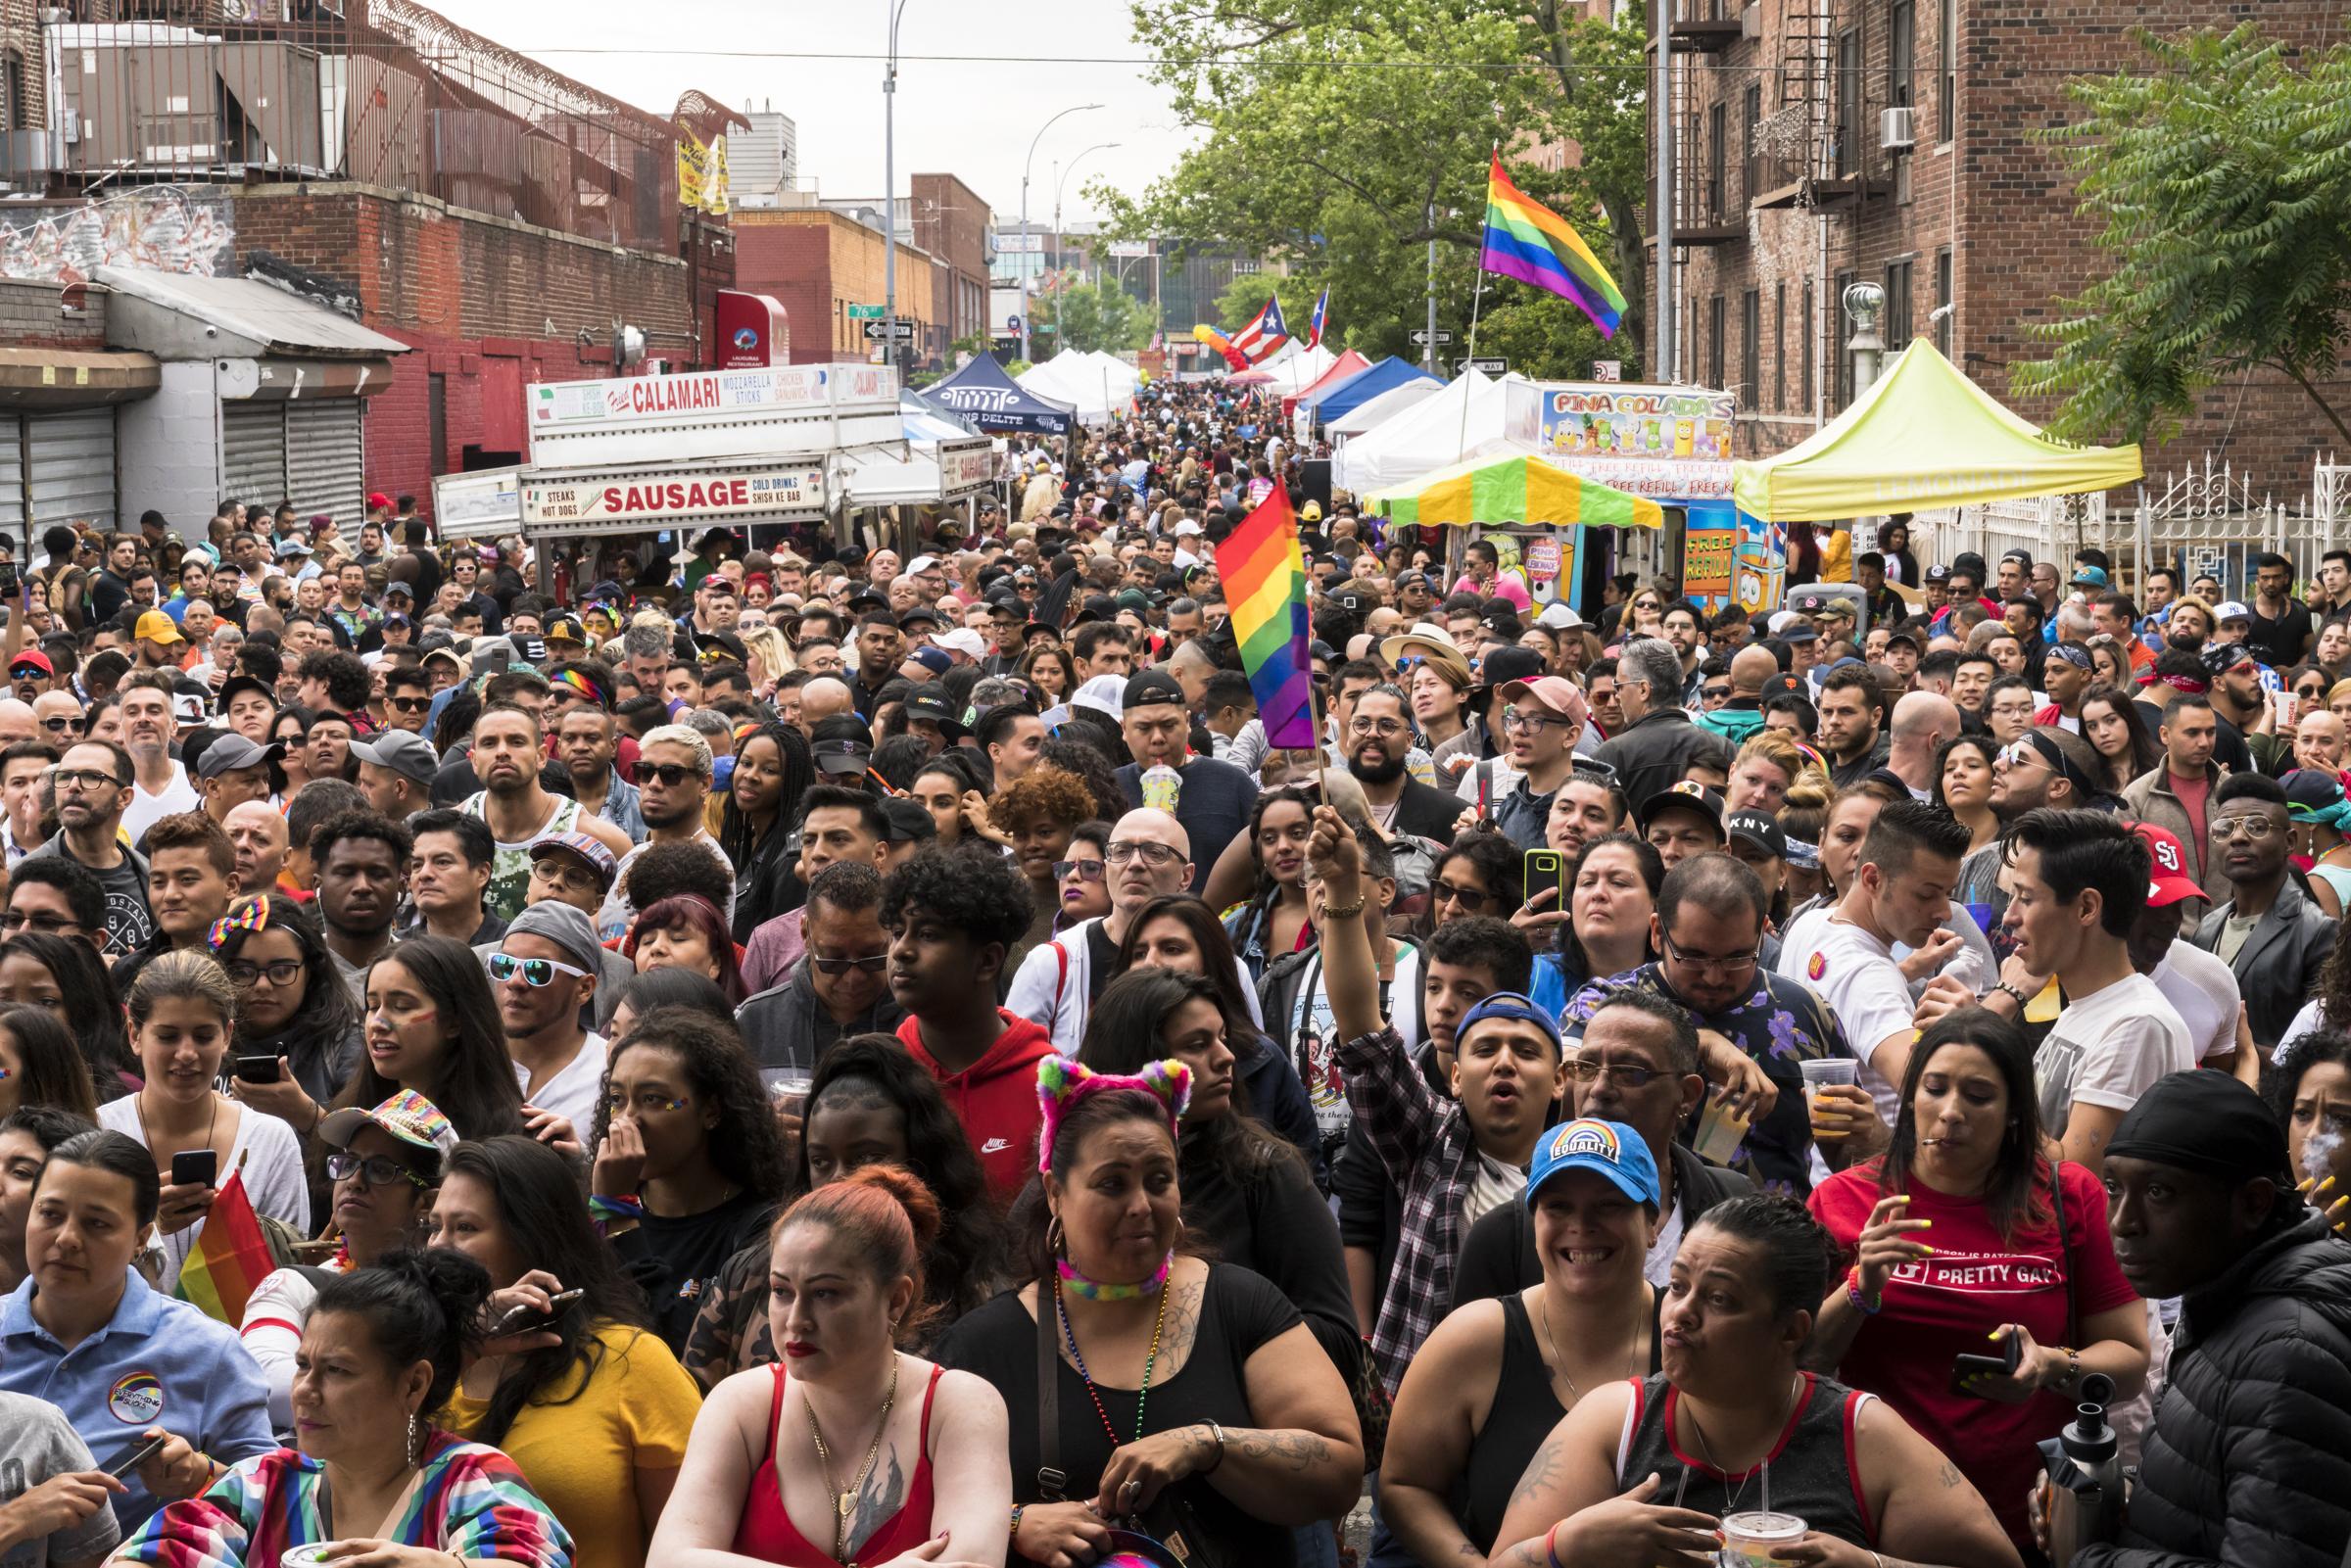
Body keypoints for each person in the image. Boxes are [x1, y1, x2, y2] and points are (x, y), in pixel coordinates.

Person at [932, 1058, 1364, 1568]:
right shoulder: (983, 1347)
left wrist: (1206, 1444)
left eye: (1159, 1180)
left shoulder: (1240, 1305)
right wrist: (1011, 1523)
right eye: (1112, 1184)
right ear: (1054, 1195)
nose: (1141, 1204)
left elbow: (1340, 1471)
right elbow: (916, 1512)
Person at [1488, 1194, 2023, 1568]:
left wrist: (1871, 1565)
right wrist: (1569, 1546)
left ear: (1791, 1331)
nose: (1681, 1312)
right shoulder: (1616, 1420)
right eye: (1678, 1285)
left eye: (1719, 1298)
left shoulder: (1860, 1434)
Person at [1805, 1008, 2148, 1551]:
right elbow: (1800, 1363)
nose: (1950, 1113)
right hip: (1877, 1514)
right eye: (1934, 1089)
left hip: (2032, 1514)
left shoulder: (2069, 1196)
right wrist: (1859, 1289)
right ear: (1910, 1099)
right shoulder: (1844, 1200)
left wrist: (2050, 1366)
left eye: (1979, 1096)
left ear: (2014, 1114)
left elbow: (2128, 1363)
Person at [1305, 801, 1568, 1396]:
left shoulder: (1582, 1170)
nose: (1504, 1062)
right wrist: (1344, 889)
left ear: (1560, 1079)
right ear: (1453, 1079)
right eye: (1485, 1049)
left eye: (1526, 1051)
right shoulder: (1429, 1141)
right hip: (1417, 1396)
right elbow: (1360, 1024)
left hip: (1538, 1405)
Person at [651, 1164, 1013, 1568]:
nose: (796, 1320)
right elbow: (668, 1559)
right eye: (781, 1291)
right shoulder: (741, 1404)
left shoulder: (959, 1405)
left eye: (826, 1293)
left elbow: (975, 1563)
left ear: (896, 1299)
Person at [122, 1248, 574, 1567]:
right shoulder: (262, 1483)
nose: (305, 1391)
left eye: (337, 1370)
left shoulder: (470, 1478)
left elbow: (529, 1557)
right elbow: (151, 1554)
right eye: (303, 1365)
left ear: (414, 1384)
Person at [2079, 1070, 2351, 1568]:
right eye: (2113, 1187)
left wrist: (2089, 1559)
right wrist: (2118, 1496)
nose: (2123, 1222)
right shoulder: (2226, 1296)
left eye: (2158, 1192)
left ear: (2253, 1203)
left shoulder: (2287, 1354)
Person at [1380, 1116, 1663, 1567]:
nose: (1581, 1225)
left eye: (1609, 1205)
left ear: (1652, 1223)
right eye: (1558, 1207)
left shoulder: (1690, 1338)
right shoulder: (1474, 1339)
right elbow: (1405, 1485)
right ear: (1534, 1222)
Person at [0, 1129, 275, 1530]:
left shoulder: (208, 1350)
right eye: (51, 1214)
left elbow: (276, 1495)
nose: (67, 1238)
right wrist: (15, 1519)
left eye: (97, 1224)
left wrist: (201, 1474)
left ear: (141, 1239)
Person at [1563, 855, 1851, 1192]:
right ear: (1657, 933)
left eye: (1737, 958)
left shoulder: (1805, 1012)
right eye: (1694, 957)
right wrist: (1697, 1041)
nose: (1714, 977)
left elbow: (1848, 1155)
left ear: (1762, 936)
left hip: (1779, 1221)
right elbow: (1564, 1083)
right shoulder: (1605, 1003)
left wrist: (1865, 1137)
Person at [236, 1089, 455, 1431]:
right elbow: (262, 1384)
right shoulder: (296, 1286)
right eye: (348, 1163)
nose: (354, 1181)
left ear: (427, 1203)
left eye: (381, 1169)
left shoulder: (454, 1296)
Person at [96, 951, 310, 1289]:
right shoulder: (99, 1132)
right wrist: (146, 1229)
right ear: (135, 1035)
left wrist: (234, 1225)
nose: (186, 1053)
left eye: (203, 1036)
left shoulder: (270, 1140)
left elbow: (288, 1275)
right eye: (168, 1036)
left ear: (226, 1036)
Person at [1999, 809, 2192, 1171]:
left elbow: (2076, 1181)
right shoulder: (2084, 1007)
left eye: (2026, 898)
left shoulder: (2138, 1025)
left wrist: (1993, 1083)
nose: (2009, 916)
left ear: (2086, 908)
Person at [590, 1006, 791, 1354]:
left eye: (654, 1099)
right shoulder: (595, 1203)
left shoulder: (758, 1233)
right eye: (617, 1099)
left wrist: (619, 1215)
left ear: (711, 1110)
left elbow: (681, 1352)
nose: (626, 1120)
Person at [1777, 799, 1973, 1124]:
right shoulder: (1869, 976)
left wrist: (1906, 971)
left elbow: (1845, 987)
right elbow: (1930, 1088)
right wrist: (1970, 1029)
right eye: (1927, 895)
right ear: (1872, 879)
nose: (1945, 912)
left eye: (1948, 894)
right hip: (1881, 1156)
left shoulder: (1809, 924)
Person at [885, 844, 1055, 1202]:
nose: (901, 950)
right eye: (898, 931)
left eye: (928, 934)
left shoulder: (1050, 1088)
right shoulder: (883, 1074)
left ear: (988, 960)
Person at [2189, 772, 2338, 1055]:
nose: (2238, 838)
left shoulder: (2318, 931)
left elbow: (2323, 1050)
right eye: (2224, 829)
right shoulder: (2207, 927)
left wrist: (2235, 1051)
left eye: (2257, 826)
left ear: (2289, 841)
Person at [328, 937, 528, 1141]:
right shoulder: (348, 1122)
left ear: (454, 1022)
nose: (377, 1023)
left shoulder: (511, 1134)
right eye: (372, 1006)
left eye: (402, 1007)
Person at [462, 701, 630, 923]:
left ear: (541, 756)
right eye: (489, 743)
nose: (502, 752)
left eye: (517, 742)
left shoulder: (595, 835)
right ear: (474, 760)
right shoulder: (454, 829)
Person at [734, 862, 905, 1072]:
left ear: (893, 934)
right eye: (834, 959)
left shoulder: (922, 1025)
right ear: (805, 934)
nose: (853, 978)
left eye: (872, 957)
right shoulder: (755, 1022)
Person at [208, 893, 362, 1120]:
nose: (262, 985)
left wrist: (304, 1113)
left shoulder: (344, 1044)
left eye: (281, 971)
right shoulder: (202, 1040)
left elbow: (367, 1139)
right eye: (243, 971)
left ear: (311, 972)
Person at [492, 901, 610, 1145]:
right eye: (505, 965)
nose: (515, 981)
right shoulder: (465, 1056)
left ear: (584, 988)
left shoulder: (610, 1072)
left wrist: (581, 1160)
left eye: (538, 970)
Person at [24, 739, 152, 955]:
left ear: (124, 797)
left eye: (92, 777)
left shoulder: (151, 876)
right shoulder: (23, 876)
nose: (73, 786)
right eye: (64, 776)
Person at [717, 722, 813, 944]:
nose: (751, 775)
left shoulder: (792, 858)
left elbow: (782, 947)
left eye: (769, 770)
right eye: (746, 763)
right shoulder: (748, 838)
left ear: (792, 779)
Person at [402, 808, 504, 946]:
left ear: (482, 874)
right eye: (417, 865)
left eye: (442, 862)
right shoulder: (394, 949)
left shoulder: (513, 948)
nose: (424, 874)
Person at [623, 893, 747, 1007]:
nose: (656, 948)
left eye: (678, 939)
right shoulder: (617, 1018)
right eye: (648, 941)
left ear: (715, 963)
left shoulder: (746, 1022)